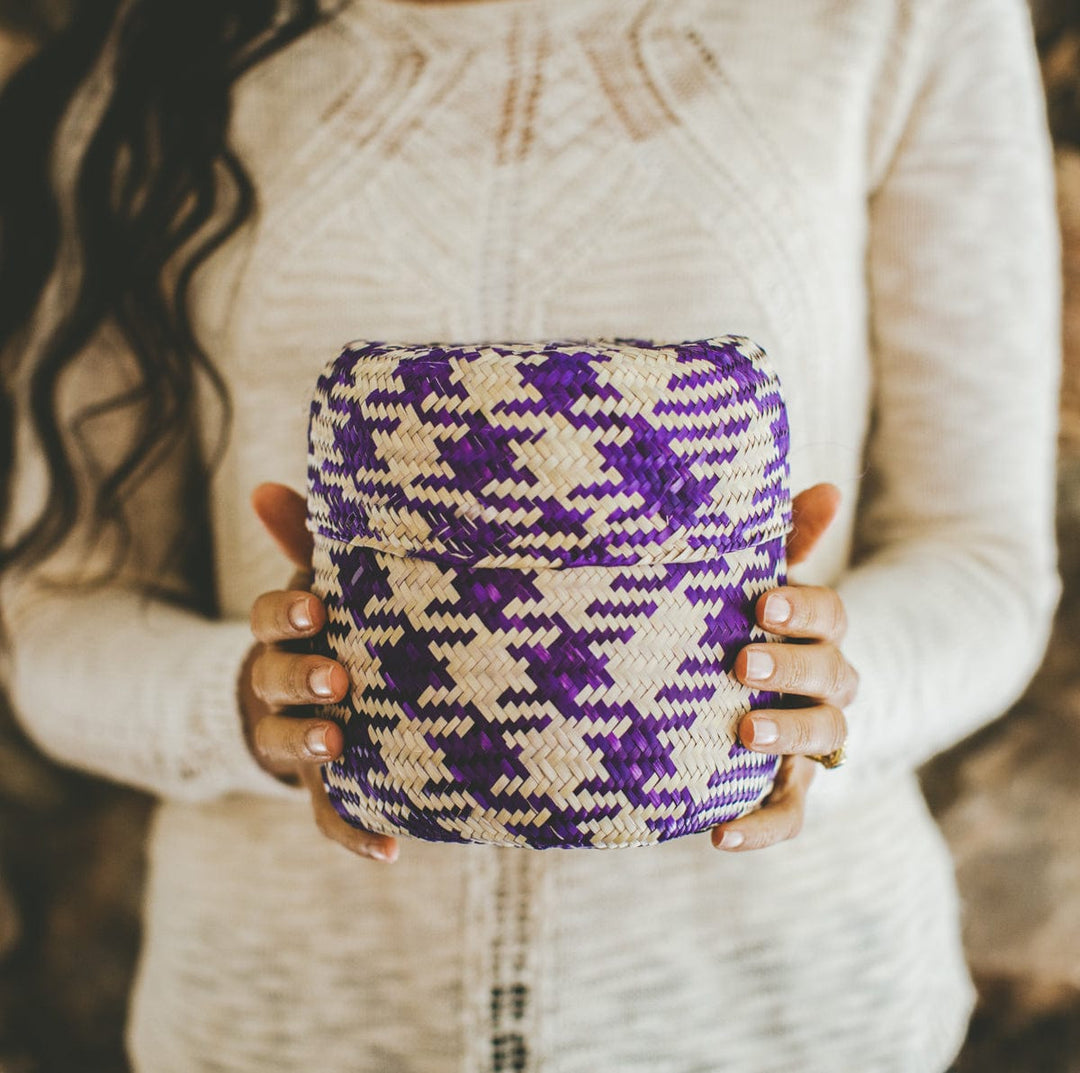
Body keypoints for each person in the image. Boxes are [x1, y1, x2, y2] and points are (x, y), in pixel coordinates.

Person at [0, 0, 1062, 1069]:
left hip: (780, 1015)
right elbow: (55, 621)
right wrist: (249, 703)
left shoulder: (902, 19)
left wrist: (826, 694)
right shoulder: (171, 51)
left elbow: (981, 559)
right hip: (294, 1023)